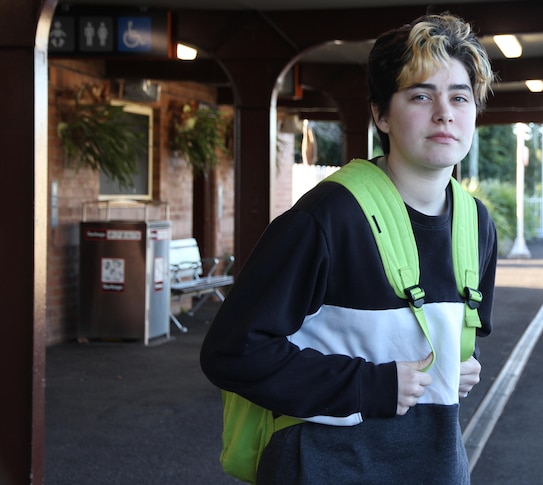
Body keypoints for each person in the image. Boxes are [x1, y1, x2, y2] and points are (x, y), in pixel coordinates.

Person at [200, 12, 498, 484]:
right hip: (323, 466)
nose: (445, 112)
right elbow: (232, 351)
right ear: (381, 114)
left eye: (459, 97)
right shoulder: (326, 217)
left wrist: (459, 367)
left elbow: (446, 341)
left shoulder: (475, 223)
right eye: (421, 95)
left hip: (435, 466)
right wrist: (369, 385)